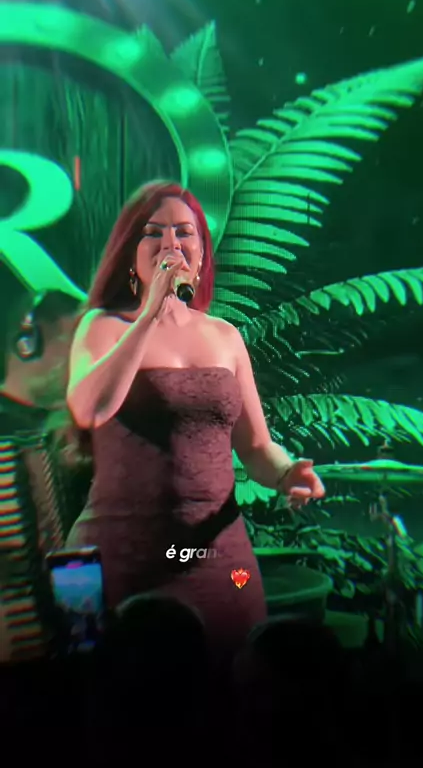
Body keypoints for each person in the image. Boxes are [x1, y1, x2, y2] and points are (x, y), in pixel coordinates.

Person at [66, 180, 325, 663]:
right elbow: (89, 409)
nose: (171, 243)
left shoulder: (225, 337)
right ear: (129, 254)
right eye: (153, 232)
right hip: (121, 554)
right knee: (119, 691)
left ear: (202, 254)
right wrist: (150, 313)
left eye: (184, 233)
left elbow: (257, 447)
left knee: (235, 678)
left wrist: (288, 472)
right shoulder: (102, 327)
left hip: (216, 556)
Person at [0, 289, 89, 661]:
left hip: (67, 650)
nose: (83, 360)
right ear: (27, 343)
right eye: (72, 343)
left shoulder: (65, 432)